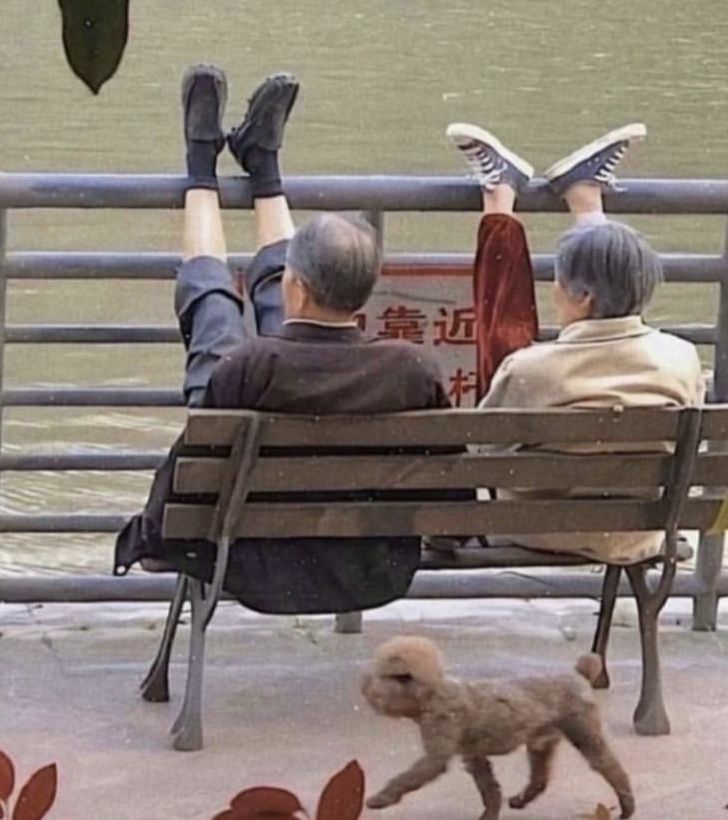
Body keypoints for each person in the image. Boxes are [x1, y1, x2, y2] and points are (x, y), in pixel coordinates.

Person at [114, 65, 452, 613]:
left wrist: (151, 534)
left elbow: (188, 471)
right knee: (243, 336)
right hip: (370, 567)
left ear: (296, 285)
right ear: (365, 297)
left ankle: (204, 166)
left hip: (252, 560)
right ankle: (260, 166)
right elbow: (448, 480)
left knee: (214, 309)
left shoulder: (247, 367)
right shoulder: (414, 370)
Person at [446, 122, 705, 563]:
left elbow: (482, 450)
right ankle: (584, 197)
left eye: (559, 283)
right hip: (640, 532)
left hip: (540, 530)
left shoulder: (529, 369)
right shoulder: (682, 358)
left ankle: (507, 196)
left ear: (580, 297)